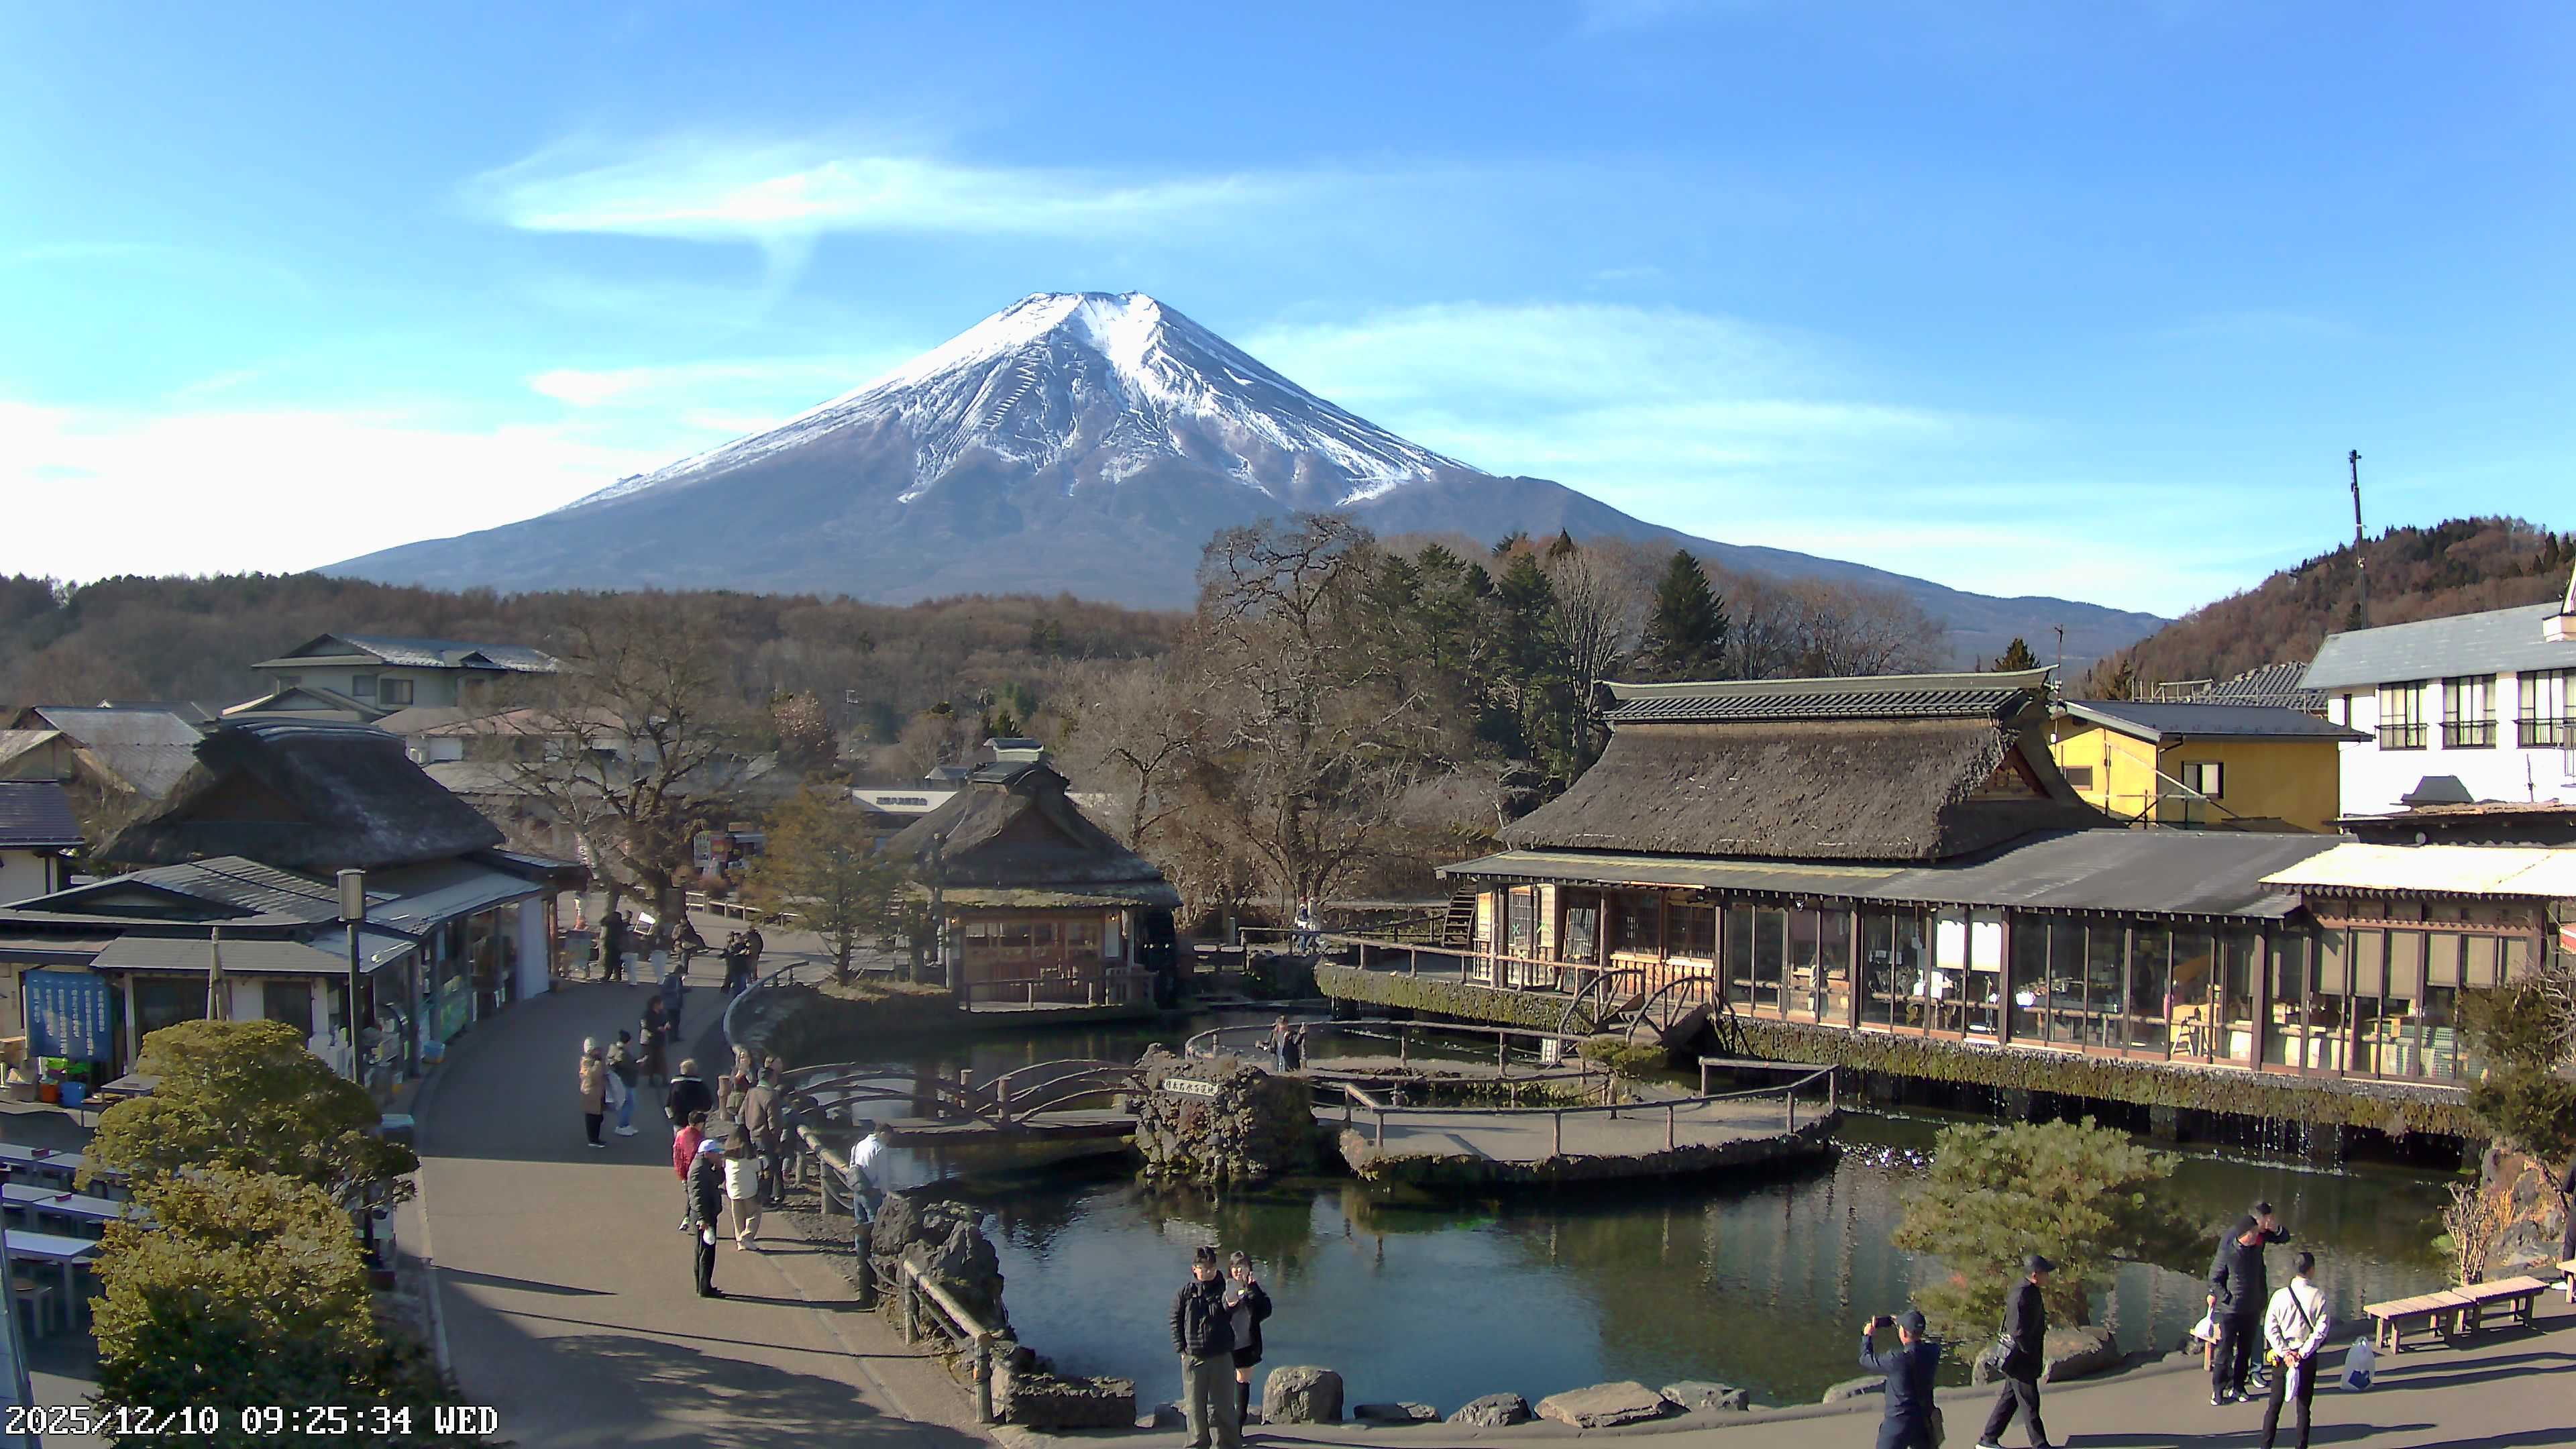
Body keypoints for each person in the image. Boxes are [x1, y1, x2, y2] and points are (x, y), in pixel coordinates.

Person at [1976, 1254, 2053, 1449]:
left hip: (2022, 1361)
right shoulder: (2021, 1296)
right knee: (2030, 1404)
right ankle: (2040, 1444)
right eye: (2046, 1274)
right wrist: (2029, 1354)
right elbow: (2017, 1331)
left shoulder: (2031, 1291)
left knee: (2009, 1400)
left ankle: (1988, 1440)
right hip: (2021, 1361)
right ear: (2035, 1275)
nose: (2049, 1277)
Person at [1170, 1245, 1240, 1449]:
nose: (1208, 1272)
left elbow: (1230, 1309)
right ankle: (1197, 1444)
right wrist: (1181, 1349)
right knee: (1194, 1407)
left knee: (1225, 1405)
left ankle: (1229, 1444)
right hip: (1194, 1357)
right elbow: (1175, 1319)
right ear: (1195, 1269)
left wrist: (1234, 1301)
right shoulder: (1186, 1293)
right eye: (1203, 1268)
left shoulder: (1225, 1289)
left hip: (1221, 1355)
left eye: (1211, 1268)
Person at [2259, 1251, 2330, 1449]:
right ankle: (2301, 1446)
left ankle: (2265, 1446)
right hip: (2305, 1358)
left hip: (2283, 1358)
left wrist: (2285, 1353)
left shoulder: (2280, 1296)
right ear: (2312, 1270)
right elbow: (2321, 1330)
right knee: (2303, 1408)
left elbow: (2270, 1328)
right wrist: (2303, 1352)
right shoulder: (2319, 1296)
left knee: (2274, 1407)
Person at [2209, 1218, 2271, 1405]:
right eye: (2254, 1233)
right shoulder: (2228, 1253)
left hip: (2251, 1309)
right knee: (2225, 1351)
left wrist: (2262, 1300)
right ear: (2244, 1234)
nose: (2256, 1236)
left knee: (2245, 1351)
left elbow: (2262, 1277)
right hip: (2230, 1311)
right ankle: (2219, 1389)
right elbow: (2214, 1278)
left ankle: (2238, 1387)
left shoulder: (2256, 1253)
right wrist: (2226, 1297)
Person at [1859, 1309, 1941, 1449]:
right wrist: (1898, 1321)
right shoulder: (1934, 1351)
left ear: (1902, 1333)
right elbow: (1922, 1343)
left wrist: (1868, 1336)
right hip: (1923, 1420)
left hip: (1898, 1422)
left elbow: (1865, 1359)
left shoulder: (1896, 1359)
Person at [1224, 1250, 1272, 1429]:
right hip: (1226, 1343)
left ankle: (1239, 1423)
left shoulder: (1253, 1288)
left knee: (1243, 1381)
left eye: (1242, 1267)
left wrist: (1253, 1290)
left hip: (1246, 1343)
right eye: (1235, 1267)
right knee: (1224, 1381)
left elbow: (1265, 1311)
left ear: (1249, 1269)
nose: (1238, 1271)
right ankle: (1226, 1422)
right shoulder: (1225, 1286)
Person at [739, 1063, 785, 1208]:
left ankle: (761, 1196)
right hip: (766, 1138)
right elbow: (774, 1123)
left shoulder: (751, 1092)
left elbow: (741, 1114)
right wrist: (777, 1141)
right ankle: (766, 1199)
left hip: (752, 1135)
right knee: (770, 1168)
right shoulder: (771, 1096)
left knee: (758, 1167)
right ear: (771, 1079)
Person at [688, 1135, 729, 1297]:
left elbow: (717, 1181)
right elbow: (696, 1197)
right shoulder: (699, 1170)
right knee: (706, 1253)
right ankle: (704, 1288)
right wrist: (703, 1219)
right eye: (717, 1153)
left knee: (704, 1251)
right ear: (707, 1153)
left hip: (706, 1215)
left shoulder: (705, 1166)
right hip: (704, 1217)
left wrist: (720, 1167)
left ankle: (704, 1286)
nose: (719, 1156)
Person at [723, 1127, 763, 1250]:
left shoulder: (728, 1159)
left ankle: (740, 1242)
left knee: (738, 1217)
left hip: (733, 1192)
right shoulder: (747, 1160)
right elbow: (761, 1165)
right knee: (754, 1213)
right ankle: (746, 1237)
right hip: (748, 1192)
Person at [672, 1110, 709, 1232]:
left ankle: (687, 1219)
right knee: (697, 1198)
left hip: (685, 1172)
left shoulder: (681, 1134)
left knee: (691, 1196)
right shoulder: (699, 1139)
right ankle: (694, 1220)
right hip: (696, 1172)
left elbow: (677, 1156)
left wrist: (681, 1174)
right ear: (700, 1124)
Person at [667, 1057, 714, 1133]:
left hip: (679, 1121)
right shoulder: (701, 1085)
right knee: (697, 1142)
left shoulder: (676, 1084)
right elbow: (708, 1104)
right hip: (697, 1122)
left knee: (680, 1142)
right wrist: (705, 1116)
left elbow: (669, 1103)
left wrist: (672, 1117)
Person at [607, 1031, 641, 1136]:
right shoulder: (623, 1053)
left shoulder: (614, 1049)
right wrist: (640, 1064)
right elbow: (631, 1067)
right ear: (627, 1042)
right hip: (626, 1082)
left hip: (620, 1081)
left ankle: (625, 1124)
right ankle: (622, 1126)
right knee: (629, 1104)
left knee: (627, 1104)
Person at [578, 1042, 608, 1148]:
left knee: (599, 1117)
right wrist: (598, 1064)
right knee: (593, 1118)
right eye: (596, 1050)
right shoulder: (587, 1062)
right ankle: (593, 1140)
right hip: (590, 1094)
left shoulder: (596, 1061)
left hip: (597, 1093)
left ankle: (596, 1138)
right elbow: (593, 1076)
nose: (599, 1052)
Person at [639, 998, 671, 1088]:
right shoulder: (647, 1014)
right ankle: (651, 1079)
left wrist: (667, 1026)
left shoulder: (662, 1013)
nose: (662, 1005)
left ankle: (664, 1079)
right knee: (650, 1060)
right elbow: (644, 1025)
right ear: (656, 1004)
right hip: (650, 1041)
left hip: (660, 1040)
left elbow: (666, 1021)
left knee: (662, 1060)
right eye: (661, 1003)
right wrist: (656, 1028)